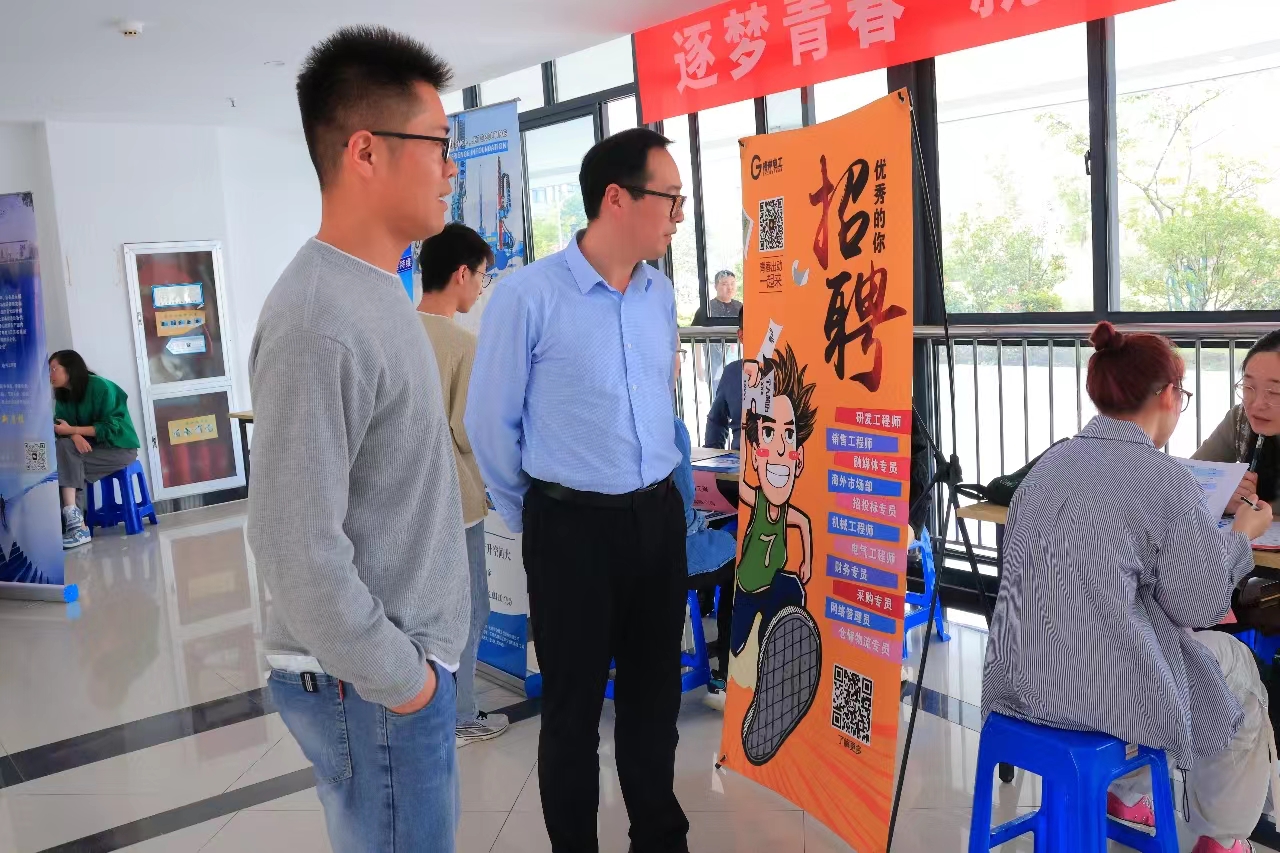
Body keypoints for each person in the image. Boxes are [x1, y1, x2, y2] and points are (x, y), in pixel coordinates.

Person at [247, 27, 468, 853]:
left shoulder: (376, 289)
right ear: (366, 151)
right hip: (372, 690)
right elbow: (293, 545)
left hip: (391, 680)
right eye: (439, 144)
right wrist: (404, 681)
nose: (451, 168)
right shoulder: (318, 318)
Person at [466, 127, 689, 853]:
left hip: (656, 519)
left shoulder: (660, 295)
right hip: (570, 531)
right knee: (572, 712)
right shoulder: (528, 296)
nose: (678, 214)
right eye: (669, 198)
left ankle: (659, 838)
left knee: (654, 702)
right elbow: (489, 425)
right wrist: (538, 514)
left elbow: (659, 403)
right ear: (616, 199)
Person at [982, 322, 1276, 853]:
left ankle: (1126, 791)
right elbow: (1198, 604)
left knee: (1157, 650)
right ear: (1167, 395)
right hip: (1098, 698)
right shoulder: (1164, 478)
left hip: (1017, 684)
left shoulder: (1050, 465)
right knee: (1236, 668)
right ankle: (1223, 836)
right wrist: (1241, 537)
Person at [415, 222, 509, 746]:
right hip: (456, 501)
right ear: (460, 274)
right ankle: (460, 715)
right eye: (482, 276)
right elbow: (467, 431)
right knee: (471, 609)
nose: (481, 286)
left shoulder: (397, 332)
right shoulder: (460, 344)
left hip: (407, 501)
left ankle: (421, 710)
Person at [49, 350, 140, 549]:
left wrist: (72, 430)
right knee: (67, 457)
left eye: (54, 368)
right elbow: (60, 426)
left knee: (68, 465)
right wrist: (73, 435)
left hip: (118, 449)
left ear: (70, 368)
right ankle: (76, 524)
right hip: (90, 450)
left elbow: (110, 429)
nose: (50, 374)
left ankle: (77, 526)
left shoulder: (100, 387)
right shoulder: (63, 395)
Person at [1195, 330, 1280, 514]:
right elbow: (1187, 480)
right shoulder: (1240, 419)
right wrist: (1221, 497)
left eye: (1274, 391)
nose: (1256, 404)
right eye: (1248, 387)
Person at [704, 312, 744, 451]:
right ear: (741, 336)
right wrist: (713, 455)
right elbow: (717, 420)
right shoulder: (732, 372)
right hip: (740, 457)